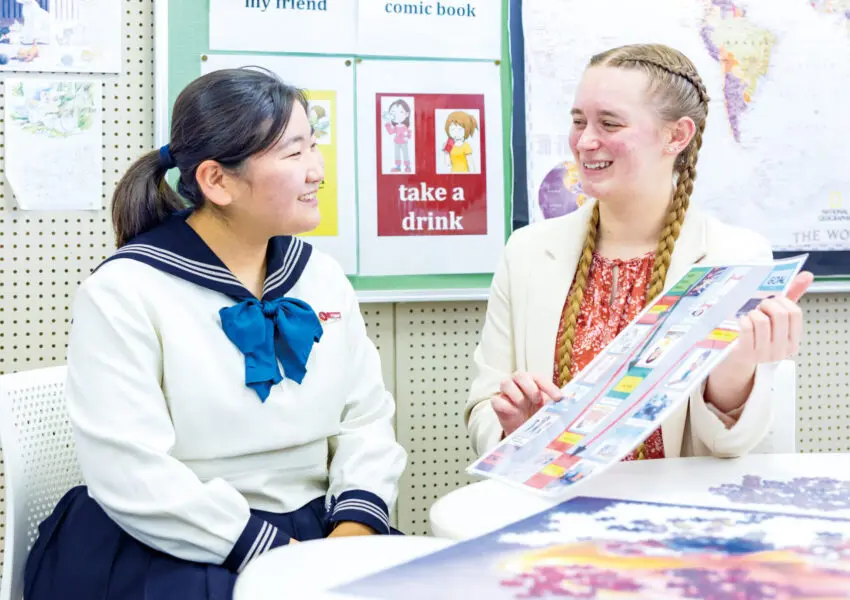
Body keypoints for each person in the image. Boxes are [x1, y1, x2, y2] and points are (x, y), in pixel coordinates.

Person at [24, 67, 407, 600]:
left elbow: (367, 421)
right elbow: (131, 471)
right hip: (179, 539)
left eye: (313, 145)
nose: (317, 170)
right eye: (293, 153)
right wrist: (282, 558)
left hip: (320, 531)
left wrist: (353, 531)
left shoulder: (322, 275)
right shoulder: (125, 290)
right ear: (217, 181)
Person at [465, 43, 812, 460]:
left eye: (609, 124)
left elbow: (728, 446)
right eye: (579, 121)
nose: (585, 141)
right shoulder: (527, 252)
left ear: (676, 136)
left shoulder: (735, 256)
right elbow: (483, 408)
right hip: (550, 505)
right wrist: (516, 428)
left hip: (675, 515)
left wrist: (737, 366)